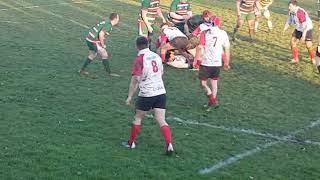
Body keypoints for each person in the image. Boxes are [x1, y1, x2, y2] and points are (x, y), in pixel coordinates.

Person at [123, 36, 174, 155]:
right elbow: (161, 72)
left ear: (137, 46)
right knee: (161, 119)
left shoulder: (139, 59)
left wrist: (130, 96)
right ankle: (169, 144)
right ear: (147, 44)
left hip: (147, 94)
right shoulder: (156, 56)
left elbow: (135, 79)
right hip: (160, 92)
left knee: (138, 117)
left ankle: (131, 143)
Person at [193, 16, 231, 111]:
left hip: (206, 62)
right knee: (214, 84)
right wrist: (226, 62)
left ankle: (212, 101)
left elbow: (200, 47)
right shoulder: (223, 33)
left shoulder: (205, 33)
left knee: (203, 84)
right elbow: (227, 49)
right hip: (217, 63)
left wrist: (196, 59)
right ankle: (211, 103)